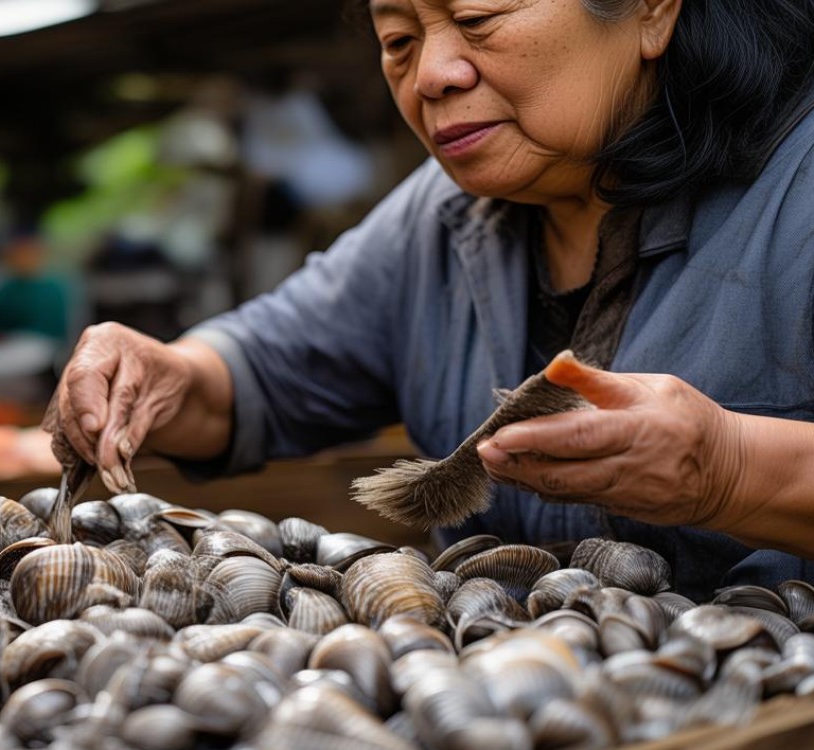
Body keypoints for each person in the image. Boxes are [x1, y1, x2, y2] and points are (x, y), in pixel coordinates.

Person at [43, 0, 814, 601]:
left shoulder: (798, 186)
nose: (433, 75)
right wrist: (164, 376)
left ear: (651, 11)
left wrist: (732, 469)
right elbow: (259, 375)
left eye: (478, 19)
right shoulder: (441, 218)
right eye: (397, 41)